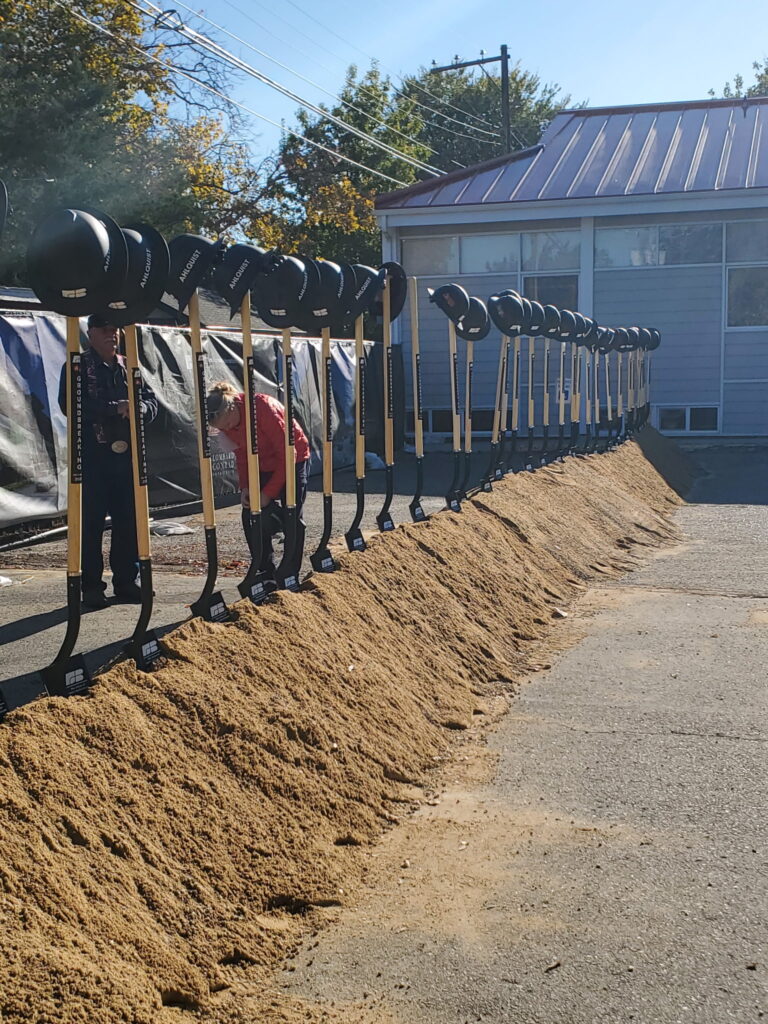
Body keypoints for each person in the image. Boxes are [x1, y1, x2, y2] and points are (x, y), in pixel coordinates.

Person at [57, 314, 158, 608]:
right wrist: (115, 408)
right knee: (90, 524)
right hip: (92, 457)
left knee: (129, 521)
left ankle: (127, 581)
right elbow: (71, 406)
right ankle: (90, 586)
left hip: (127, 457)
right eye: (104, 330)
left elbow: (152, 402)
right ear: (90, 333)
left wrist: (138, 408)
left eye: (115, 330)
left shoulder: (130, 366)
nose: (111, 335)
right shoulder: (77, 365)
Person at [205, 380, 310, 576]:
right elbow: (242, 456)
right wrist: (246, 487)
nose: (227, 428)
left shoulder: (263, 408)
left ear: (234, 406)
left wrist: (267, 494)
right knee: (250, 514)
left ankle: (290, 571)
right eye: (223, 427)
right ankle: (264, 569)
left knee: (292, 514)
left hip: (292, 458)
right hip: (262, 463)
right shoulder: (226, 426)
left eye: (228, 423)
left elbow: (288, 454)